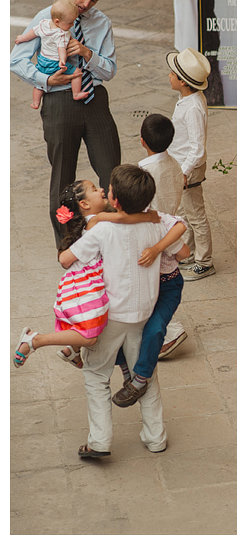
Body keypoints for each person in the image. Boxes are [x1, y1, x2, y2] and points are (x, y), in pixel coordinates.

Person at [59, 164, 189, 458]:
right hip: (144, 314)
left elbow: (66, 259)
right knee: (145, 375)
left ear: (115, 201)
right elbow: (181, 251)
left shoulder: (102, 230)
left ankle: (100, 441)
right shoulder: (157, 224)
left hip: (112, 317)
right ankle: (156, 437)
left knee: (96, 376)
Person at [12, 179, 187, 372]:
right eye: (94, 189)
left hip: (89, 287)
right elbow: (120, 220)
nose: (102, 189)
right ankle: (35, 340)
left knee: (98, 327)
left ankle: (72, 349)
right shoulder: (96, 221)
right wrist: (149, 217)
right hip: (86, 289)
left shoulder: (90, 223)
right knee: (93, 334)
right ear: (84, 204)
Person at [10, 0, 121, 247]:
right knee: (62, 177)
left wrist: (87, 53)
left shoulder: (101, 22)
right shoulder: (47, 17)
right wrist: (46, 79)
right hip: (59, 101)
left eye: (94, 0)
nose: (86, 4)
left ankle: (114, 238)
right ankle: (68, 245)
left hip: (94, 100)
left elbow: (109, 70)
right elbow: (16, 59)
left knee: (112, 174)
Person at [110, 115, 191, 408]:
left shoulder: (143, 170)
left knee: (138, 311)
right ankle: (139, 367)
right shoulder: (176, 165)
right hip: (166, 228)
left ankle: (139, 367)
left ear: (142, 141)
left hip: (153, 231)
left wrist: (156, 246)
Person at [166, 47, 216, 281]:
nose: (169, 75)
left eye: (173, 73)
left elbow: (197, 147)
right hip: (182, 165)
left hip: (190, 168)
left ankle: (204, 261)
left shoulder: (193, 107)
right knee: (186, 212)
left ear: (184, 82)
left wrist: (184, 172)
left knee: (196, 214)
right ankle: (191, 253)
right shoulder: (186, 99)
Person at [14, 0, 88, 109]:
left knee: (39, 84)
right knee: (77, 73)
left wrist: (22, 38)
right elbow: (61, 48)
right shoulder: (62, 34)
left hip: (43, 61)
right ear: (58, 21)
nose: (72, 25)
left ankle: (35, 102)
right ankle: (76, 93)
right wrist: (62, 60)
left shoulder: (44, 24)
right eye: (70, 22)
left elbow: (33, 32)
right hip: (55, 63)